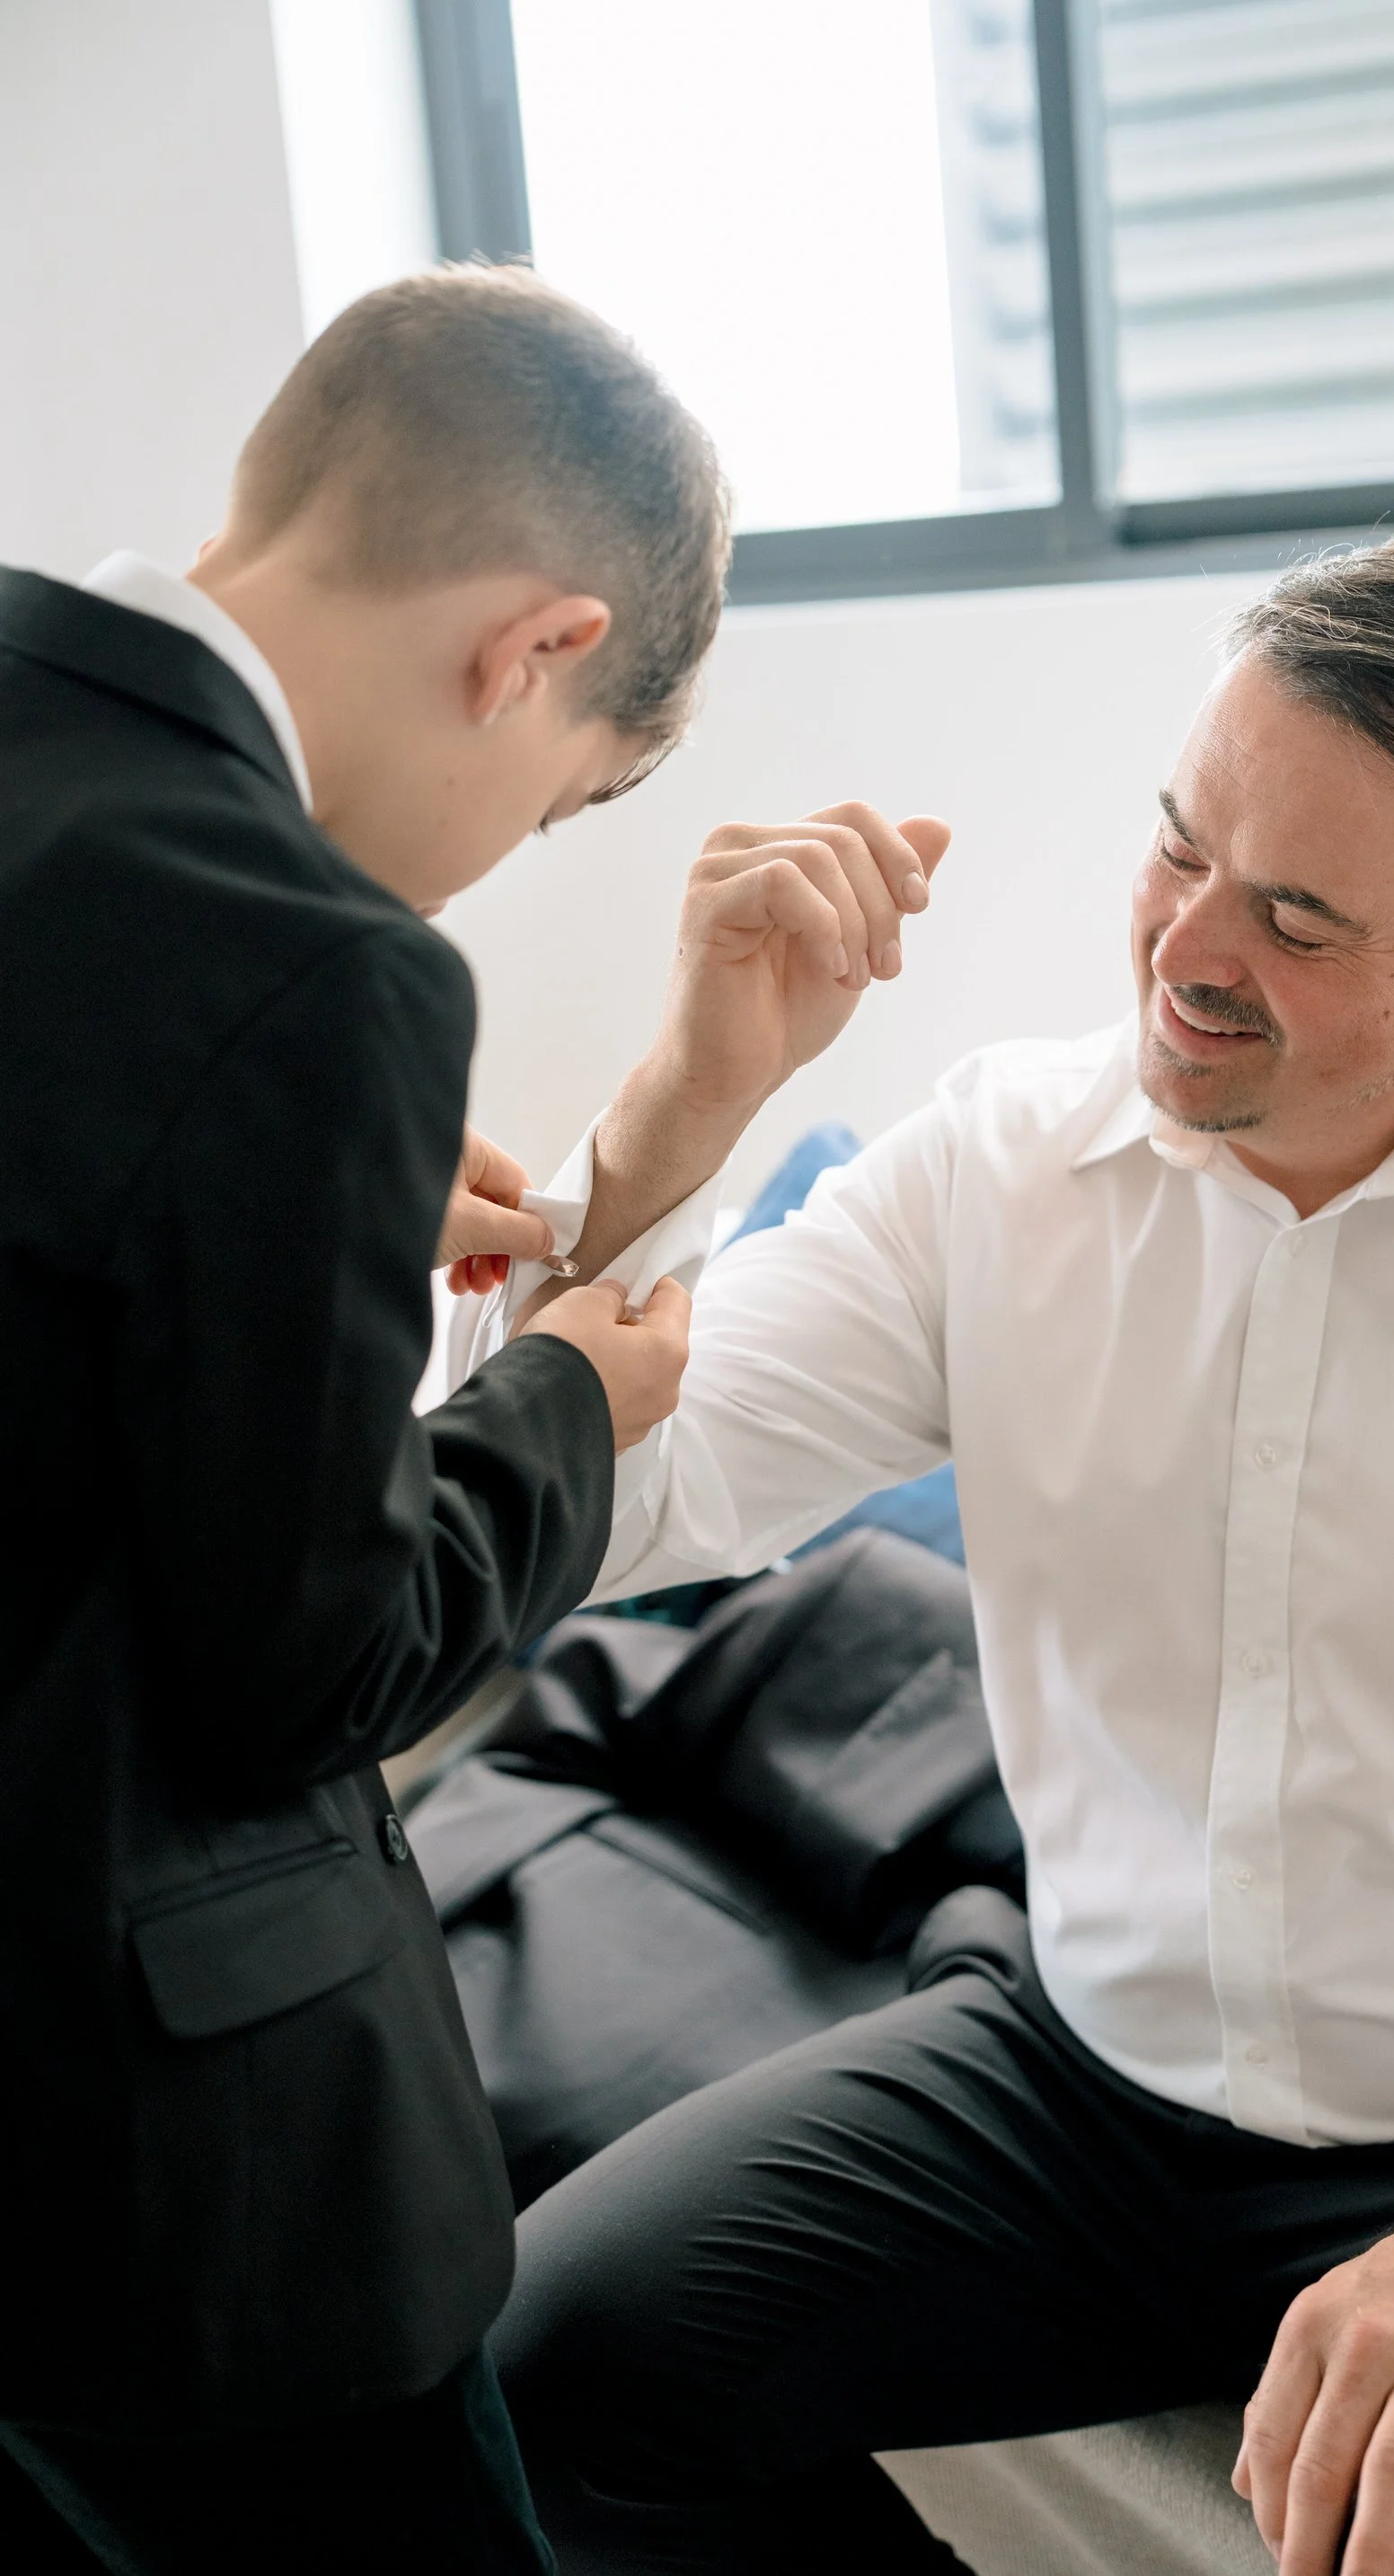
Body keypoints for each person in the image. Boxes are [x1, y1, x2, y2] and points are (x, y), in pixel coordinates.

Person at [431, 534, 1394, 2576]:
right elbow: (601, 1519)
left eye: (1294, 915)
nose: (1188, 947)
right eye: (1177, 847)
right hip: (1073, 2087)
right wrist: (690, 1095)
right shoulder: (995, 1169)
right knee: (543, 2369)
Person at [0, 263, 946, 2575]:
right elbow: (312, 1654)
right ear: (532, 646)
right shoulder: (305, 965)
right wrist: (564, 1398)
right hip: (169, 2191)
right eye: (558, 805)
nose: (494, 862)